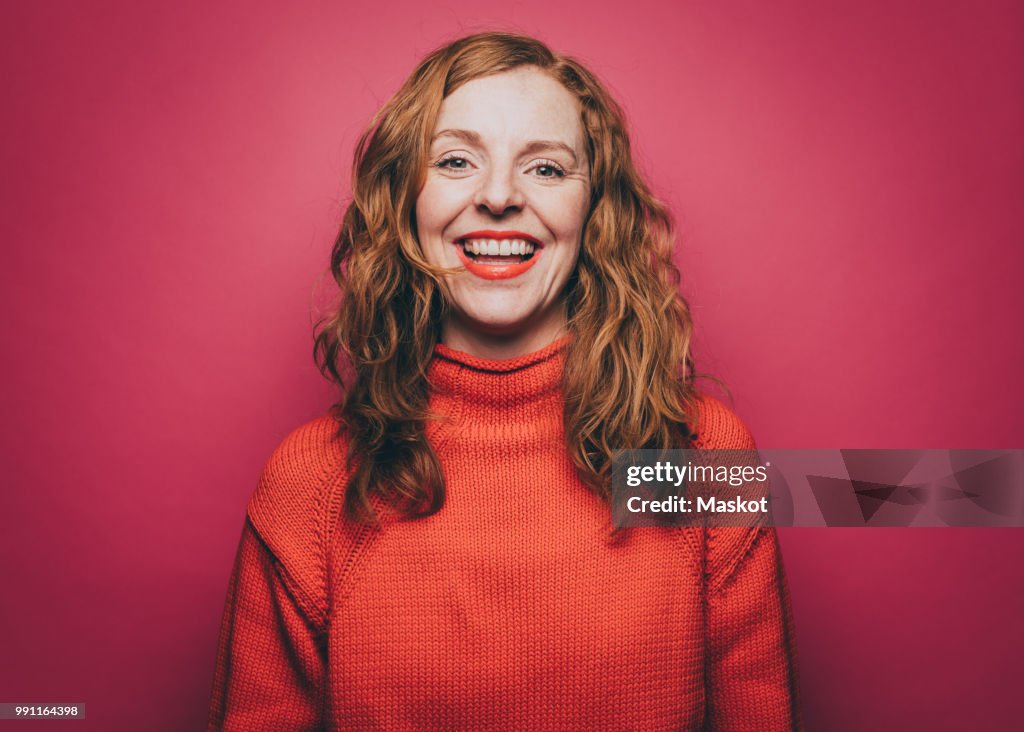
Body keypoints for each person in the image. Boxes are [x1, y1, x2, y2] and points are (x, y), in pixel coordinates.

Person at [207, 31, 801, 731]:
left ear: (594, 211)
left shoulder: (705, 460)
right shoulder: (309, 484)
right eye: (456, 160)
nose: (497, 197)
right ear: (405, 203)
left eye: (546, 169)